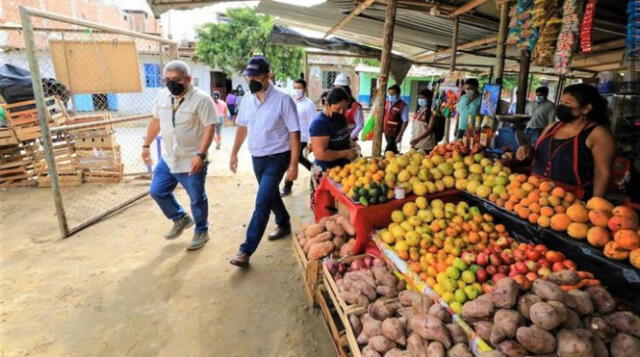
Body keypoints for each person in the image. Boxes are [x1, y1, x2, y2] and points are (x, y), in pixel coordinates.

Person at [228, 56, 301, 267]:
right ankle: (284, 222)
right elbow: (242, 126)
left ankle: (245, 250)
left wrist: (294, 165)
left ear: (269, 76)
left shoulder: (283, 100)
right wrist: (234, 153)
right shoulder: (247, 100)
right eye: (249, 75)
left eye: (256, 75)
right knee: (269, 195)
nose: (251, 79)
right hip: (257, 157)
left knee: (262, 201)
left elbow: (294, 133)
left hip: (278, 157)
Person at [142, 60, 218, 251]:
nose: (171, 84)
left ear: (188, 79)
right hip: (169, 158)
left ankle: (201, 230)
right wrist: (145, 145)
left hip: (192, 158)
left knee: (196, 198)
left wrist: (201, 155)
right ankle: (180, 217)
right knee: (157, 191)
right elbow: (156, 121)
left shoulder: (202, 99)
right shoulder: (162, 96)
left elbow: (210, 127)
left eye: (176, 80)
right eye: (167, 80)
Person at [516, 83, 616, 200]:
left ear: (586, 108)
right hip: (536, 194)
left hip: (570, 201)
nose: (562, 106)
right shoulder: (552, 127)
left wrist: (595, 205)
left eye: (567, 103)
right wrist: (527, 150)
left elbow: (602, 173)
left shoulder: (599, 134)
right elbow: (539, 153)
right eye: (562, 102)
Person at [309, 87, 359, 207]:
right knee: (326, 210)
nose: (342, 112)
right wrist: (345, 153)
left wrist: (351, 143)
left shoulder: (341, 117)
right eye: (338, 108)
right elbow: (320, 154)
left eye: (345, 108)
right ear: (328, 104)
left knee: (342, 211)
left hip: (343, 172)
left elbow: (343, 137)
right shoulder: (320, 123)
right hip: (326, 173)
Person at [281, 78, 315, 197]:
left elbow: (312, 124)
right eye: (295, 87)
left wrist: (312, 142)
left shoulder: (309, 104)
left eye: (299, 88)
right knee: (298, 159)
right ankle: (316, 171)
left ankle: (287, 186)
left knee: (293, 160)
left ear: (304, 89)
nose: (296, 90)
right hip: (290, 137)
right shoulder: (290, 102)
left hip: (303, 138)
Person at [333, 73, 364, 140]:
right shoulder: (332, 104)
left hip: (349, 140)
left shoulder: (355, 106)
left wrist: (350, 137)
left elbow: (360, 124)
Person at [383, 84, 409, 154]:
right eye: (390, 94)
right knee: (393, 149)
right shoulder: (386, 103)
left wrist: (400, 134)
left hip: (395, 132)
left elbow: (405, 121)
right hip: (386, 130)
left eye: (393, 94)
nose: (391, 96)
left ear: (398, 94)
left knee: (388, 151)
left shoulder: (403, 105)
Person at [410, 89, 436, 153]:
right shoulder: (419, 110)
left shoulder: (432, 112)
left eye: (423, 98)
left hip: (426, 144)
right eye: (419, 97)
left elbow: (430, 129)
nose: (420, 100)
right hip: (415, 142)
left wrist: (418, 139)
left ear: (429, 99)